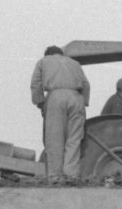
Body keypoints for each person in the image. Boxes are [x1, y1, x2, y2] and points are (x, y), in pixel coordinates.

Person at [30, 45, 91, 182]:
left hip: (55, 97)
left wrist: (40, 102)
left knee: (55, 139)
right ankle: (71, 175)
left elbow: (35, 83)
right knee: (74, 139)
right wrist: (84, 102)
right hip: (76, 98)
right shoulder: (75, 63)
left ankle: (56, 176)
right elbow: (86, 84)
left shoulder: (43, 61)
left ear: (48, 55)